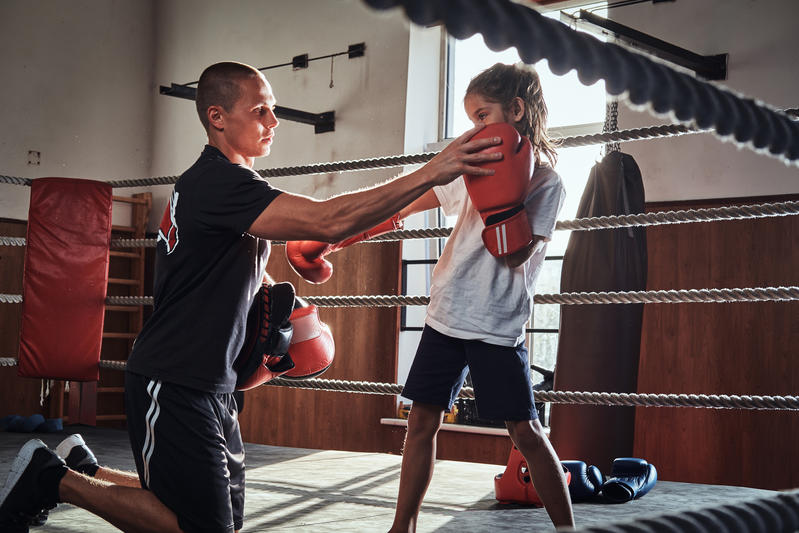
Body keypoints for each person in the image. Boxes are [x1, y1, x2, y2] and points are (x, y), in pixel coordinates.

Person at [0, 61, 502, 533]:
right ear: (217, 117)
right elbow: (328, 219)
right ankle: (53, 478)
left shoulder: (227, 185)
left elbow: (223, 269)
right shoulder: (217, 183)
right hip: (174, 376)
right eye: (259, 109)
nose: (273, 120)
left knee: (220, 514)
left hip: (210, 381)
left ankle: (86, 469)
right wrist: (434, 170)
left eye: (274, 108)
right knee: (204, 526)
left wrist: (281, 315)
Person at [386, 62, 575, 532]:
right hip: (446, 313)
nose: (476, 128)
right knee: (421, 423)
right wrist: (364, 223)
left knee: (525, 431)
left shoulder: (547, 183)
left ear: (516, 110)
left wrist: (504, 197)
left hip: (496, 323)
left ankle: (567, 529)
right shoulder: (470, 169)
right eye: (471, 118)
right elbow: (416, 197)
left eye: (483, 115)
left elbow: (514, 258)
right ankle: (402, 526)